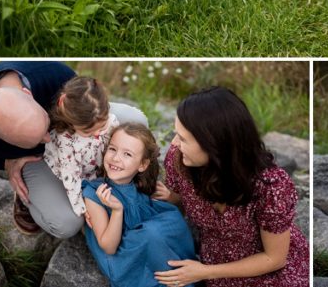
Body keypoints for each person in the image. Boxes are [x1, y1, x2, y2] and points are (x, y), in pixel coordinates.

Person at [153, 86, 309, 287]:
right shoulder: (178, 159)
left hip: (268, 269)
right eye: (176, 134)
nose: (174, 143)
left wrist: (204, 272)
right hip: (214, 263)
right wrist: (168, 198)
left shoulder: (270, 185)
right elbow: (182, 198)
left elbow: (274, 258)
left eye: (182, 138)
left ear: (213, 143)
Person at [0, 61, 146, 237]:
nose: (47, 139)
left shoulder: (53, 73)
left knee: (136, 122)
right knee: (66, 224)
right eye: (37, 139)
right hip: (40, 158)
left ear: (28, 94)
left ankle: (104, 172)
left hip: (80, 125)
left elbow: (84, 106)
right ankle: (31, 196)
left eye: (44, 124)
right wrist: (7, 160)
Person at [82, 122, 196, 287]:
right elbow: (108, 247)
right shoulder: (95, 192)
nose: (115, 158)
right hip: (124, 258)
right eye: (112, 149)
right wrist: (117, 211)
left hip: (149, 243)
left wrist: (172, 198)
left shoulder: (139, 186)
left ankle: (183, 270)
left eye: (127, 154)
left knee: (172, 218)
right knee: (150, 234)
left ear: (142, 165)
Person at [44, 76, 119, 217]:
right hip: (72, 172)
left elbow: (118, 144)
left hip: (97, 169)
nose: (97, 134)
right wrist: (82, 209)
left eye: (102, 126)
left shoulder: (111, 121)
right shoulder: (66, 140)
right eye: (88, 131)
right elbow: (71, 176)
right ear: (71, 123)